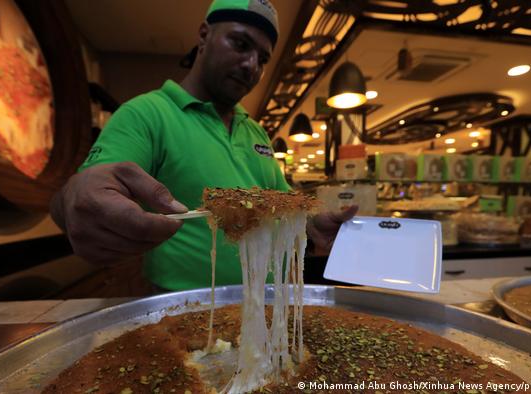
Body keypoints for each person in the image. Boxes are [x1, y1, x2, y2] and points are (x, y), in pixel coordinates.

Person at [50, 0, 358, 291]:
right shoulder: (146, 114)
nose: (252, 64)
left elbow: (284, 204)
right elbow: (86, 189)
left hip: (265, 303)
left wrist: (312, 223)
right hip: (183, 308)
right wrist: (71, 197)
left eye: (263, 58)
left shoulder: (257, 132)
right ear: (204, 35)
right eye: (240, 44)